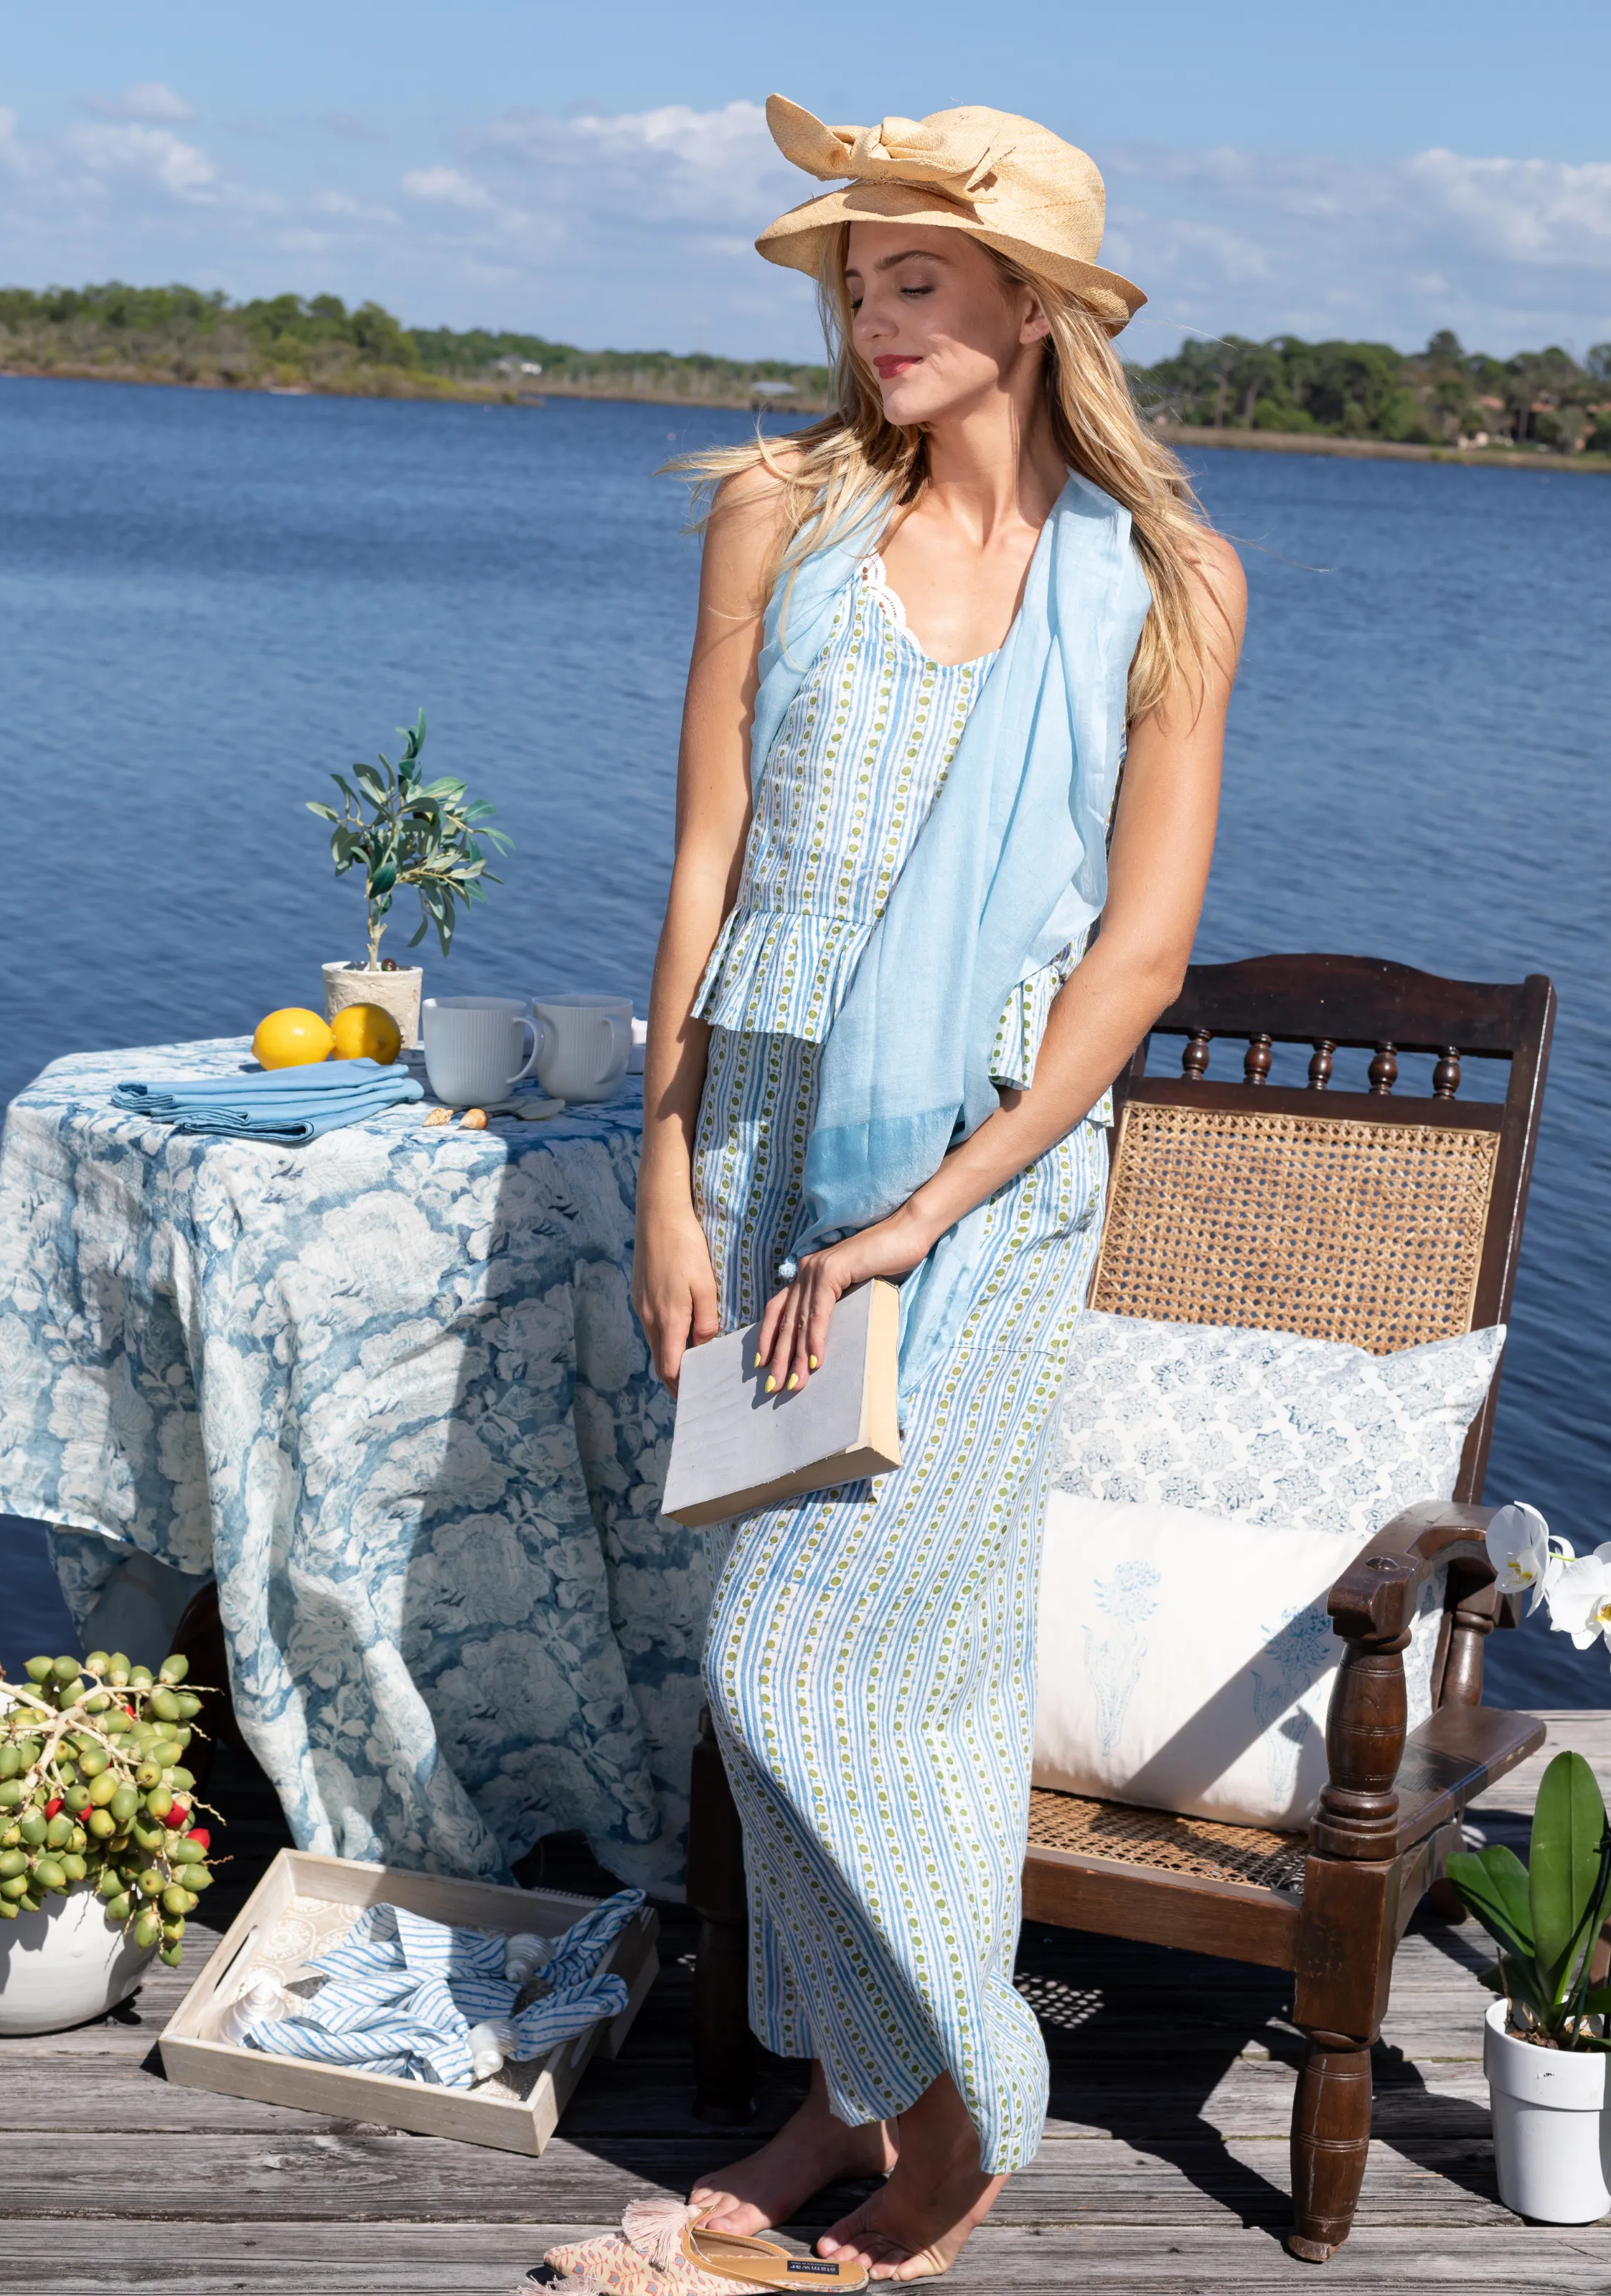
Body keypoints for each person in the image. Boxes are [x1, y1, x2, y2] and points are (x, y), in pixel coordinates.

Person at [634, 95, 1246, 2283]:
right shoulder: (777, 516)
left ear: (1035, 308)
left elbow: (1139, 954)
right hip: (768, 1122)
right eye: (858, 286)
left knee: (805, 1665)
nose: (876, 322)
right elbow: (707, 858)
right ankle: (847, 2107)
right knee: (862, 1655)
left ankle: (969, 2116)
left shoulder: (1168, 580)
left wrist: (929, 1209)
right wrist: (671, 1180)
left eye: (919, 281)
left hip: (985, 1173)